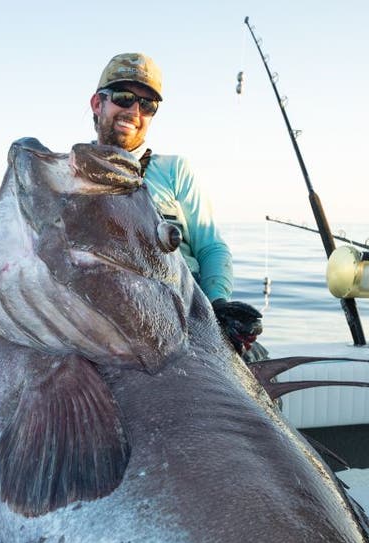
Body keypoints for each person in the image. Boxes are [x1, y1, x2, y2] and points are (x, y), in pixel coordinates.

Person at [88, 53, 266, 359]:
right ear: (97, 103)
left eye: (147, 105)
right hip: (103, 325)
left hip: (186, 319)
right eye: (123, 97)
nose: (134, 111)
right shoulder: (72, 173)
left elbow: (211, 247)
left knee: (257, 365)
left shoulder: (174, 171)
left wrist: (218, 305)